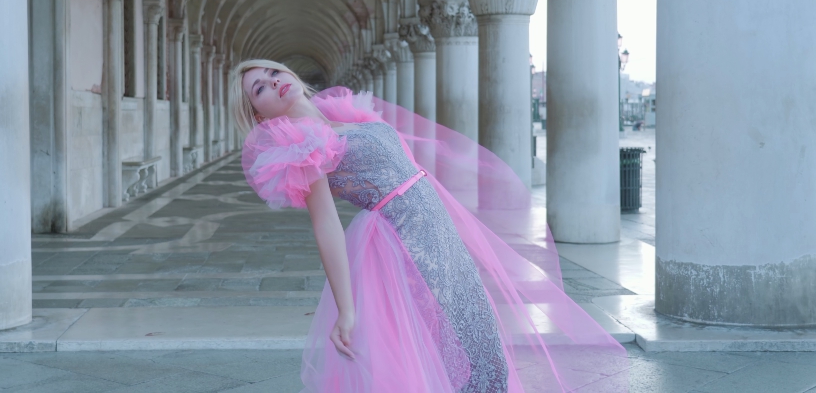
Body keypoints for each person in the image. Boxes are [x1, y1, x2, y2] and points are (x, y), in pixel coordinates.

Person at [229, 59, 628, 393]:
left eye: (273, 72)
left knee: (484, 342)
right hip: (403, 246)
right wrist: (346, 311)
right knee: (452, 354)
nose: (274, 82)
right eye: (260, 88)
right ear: (259, 114)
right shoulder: (300, 146)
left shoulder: (344, 117)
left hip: (440, 235)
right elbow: (326, 226)